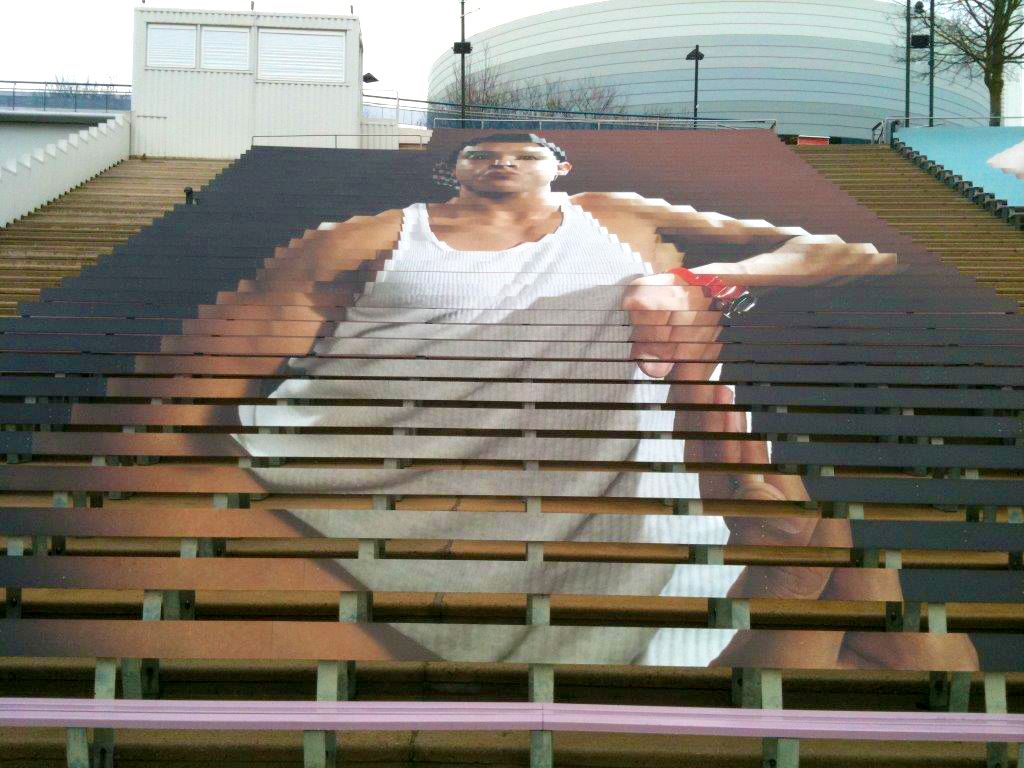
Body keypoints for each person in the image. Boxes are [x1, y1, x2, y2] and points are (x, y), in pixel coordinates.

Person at [215, 132, 973, 671]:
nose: (503, 160)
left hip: (636, 472)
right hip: (466, 490)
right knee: (819, 610)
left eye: (524, 150)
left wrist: (701, 284)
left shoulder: (616, 215)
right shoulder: (381, 239)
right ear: (454, 172)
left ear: (560, 164)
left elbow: (839, 250)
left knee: (896, 640)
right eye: (483, 152)